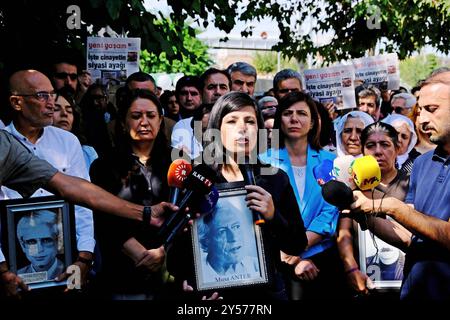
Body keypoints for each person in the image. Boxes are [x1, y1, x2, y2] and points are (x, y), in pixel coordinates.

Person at [167, 92, 307, 300]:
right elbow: (175, 258)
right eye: (232, 121)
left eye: (250, 121)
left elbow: (296, 244)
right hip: (215, 295)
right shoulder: (198, 178)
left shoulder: (275, 179)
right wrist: (188, 284)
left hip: (267, 295)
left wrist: (273, 215)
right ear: (216, 130)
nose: (243, 128)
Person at [348, 68, 450, 300]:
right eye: (420, 110)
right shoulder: (423, 163)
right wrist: (364, 210)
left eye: (432, 110)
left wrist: (391, 206)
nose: (422, 119)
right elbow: (409, 236)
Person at [2, 69, 96, 290]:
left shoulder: (67, 142)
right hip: (12, 268)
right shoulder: (2, 146)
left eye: (52, 95)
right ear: (17, 102)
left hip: (67, 262)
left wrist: (84, 258)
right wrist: (2, 270)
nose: (51, 103)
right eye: (42, 96)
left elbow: (84, 203)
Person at [89, 89, 172, 300]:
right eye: (136, 116)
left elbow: (186, 211)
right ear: (124, 123)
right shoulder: (104, 165)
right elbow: (102, 216)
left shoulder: (177, 163)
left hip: (169, 267)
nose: (144, 122)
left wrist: (163, 250)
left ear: (160, 120)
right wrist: (137, 252)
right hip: (121, 269)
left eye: (151, 116)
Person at [259, 91, 341, 300]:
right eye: (287, 113)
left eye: (302, 114)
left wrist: (297, 250)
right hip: (274, 259)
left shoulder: (330, 161)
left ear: (313, 122)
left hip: (320, 258)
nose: (294, 119)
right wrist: (289, 256)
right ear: (279, 121)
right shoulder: (262, 161)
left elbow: (329, 211)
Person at [337, 122, 410, 297]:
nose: (378, 151)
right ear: (362, 151)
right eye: (370, 146)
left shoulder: (412, 183)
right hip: (366, 287)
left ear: (398, 149)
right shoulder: (352, 185)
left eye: (385, 144)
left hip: (407, 285)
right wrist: (351, 269)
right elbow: (344, 232)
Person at [198, 204, 259, 280]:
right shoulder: (200, 276)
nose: (234, 237)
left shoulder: (257, 266)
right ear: (205, 242)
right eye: (222, 231)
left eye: (236, 226)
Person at [52, 87, 98, 169]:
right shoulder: (35, 149)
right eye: (56, 109)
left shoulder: (87, 152)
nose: (64, 114)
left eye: (69, 111)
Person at [16, 210, 65, 281]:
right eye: (31, 242)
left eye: (46, 240)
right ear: (23, 246)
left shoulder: (69, 270)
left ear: (58, 242)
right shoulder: (17, 276)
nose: (40, 249)